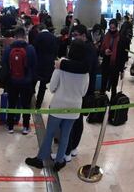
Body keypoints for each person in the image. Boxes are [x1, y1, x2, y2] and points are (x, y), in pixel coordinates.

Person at [25, 40, 89, 171]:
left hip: (59, 104)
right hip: (75, 106)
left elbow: (52, 87)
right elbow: (83, 92)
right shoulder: (85, 71)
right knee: (66, 135)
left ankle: (40, 159)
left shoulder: (61, 67)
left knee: (50, 133)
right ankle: (60, 161)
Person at [57, 25, 98, 161]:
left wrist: (62, 65)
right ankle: (71, 147)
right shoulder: (85, 46)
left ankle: (70, 148)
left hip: (83, 90)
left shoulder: (89, 49)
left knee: (75, 120)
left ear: (84, 35)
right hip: (81, 89)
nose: (74, 37)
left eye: (76, 34)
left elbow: (84, 67)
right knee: (76, 120)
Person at [1, 27, 36, 135]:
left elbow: (4, 66)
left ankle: (10, 126)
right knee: (26, 105)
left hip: (12, 82)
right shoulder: (30, 48)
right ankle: (25, 126)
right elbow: (34, 65)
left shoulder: (8, 49)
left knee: (12, 103)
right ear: (25, 36)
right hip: (26, 82)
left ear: (15, 37)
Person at [34, 24, 58, 109]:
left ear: (39, 29)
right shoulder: (54, 38)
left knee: (33, 82)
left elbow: (34, 49)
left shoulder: (38, 36)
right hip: (49, 64)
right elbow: (56, 51)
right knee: (43, 86)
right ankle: (38, 105)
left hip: (38, 63)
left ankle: (30, 99)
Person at [100, 19, 126, 99]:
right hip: (106, 63)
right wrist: (105, 51)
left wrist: (122, 69)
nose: (112, 30)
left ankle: (113, 102)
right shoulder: (106, 35)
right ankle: (102, 100)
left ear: (116, 27)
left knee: (114, 85)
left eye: (113, 28)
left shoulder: (120, 38)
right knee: (103, 83)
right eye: (110, 28)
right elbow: (102, 49)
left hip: (115, 65)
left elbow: (123, 55)